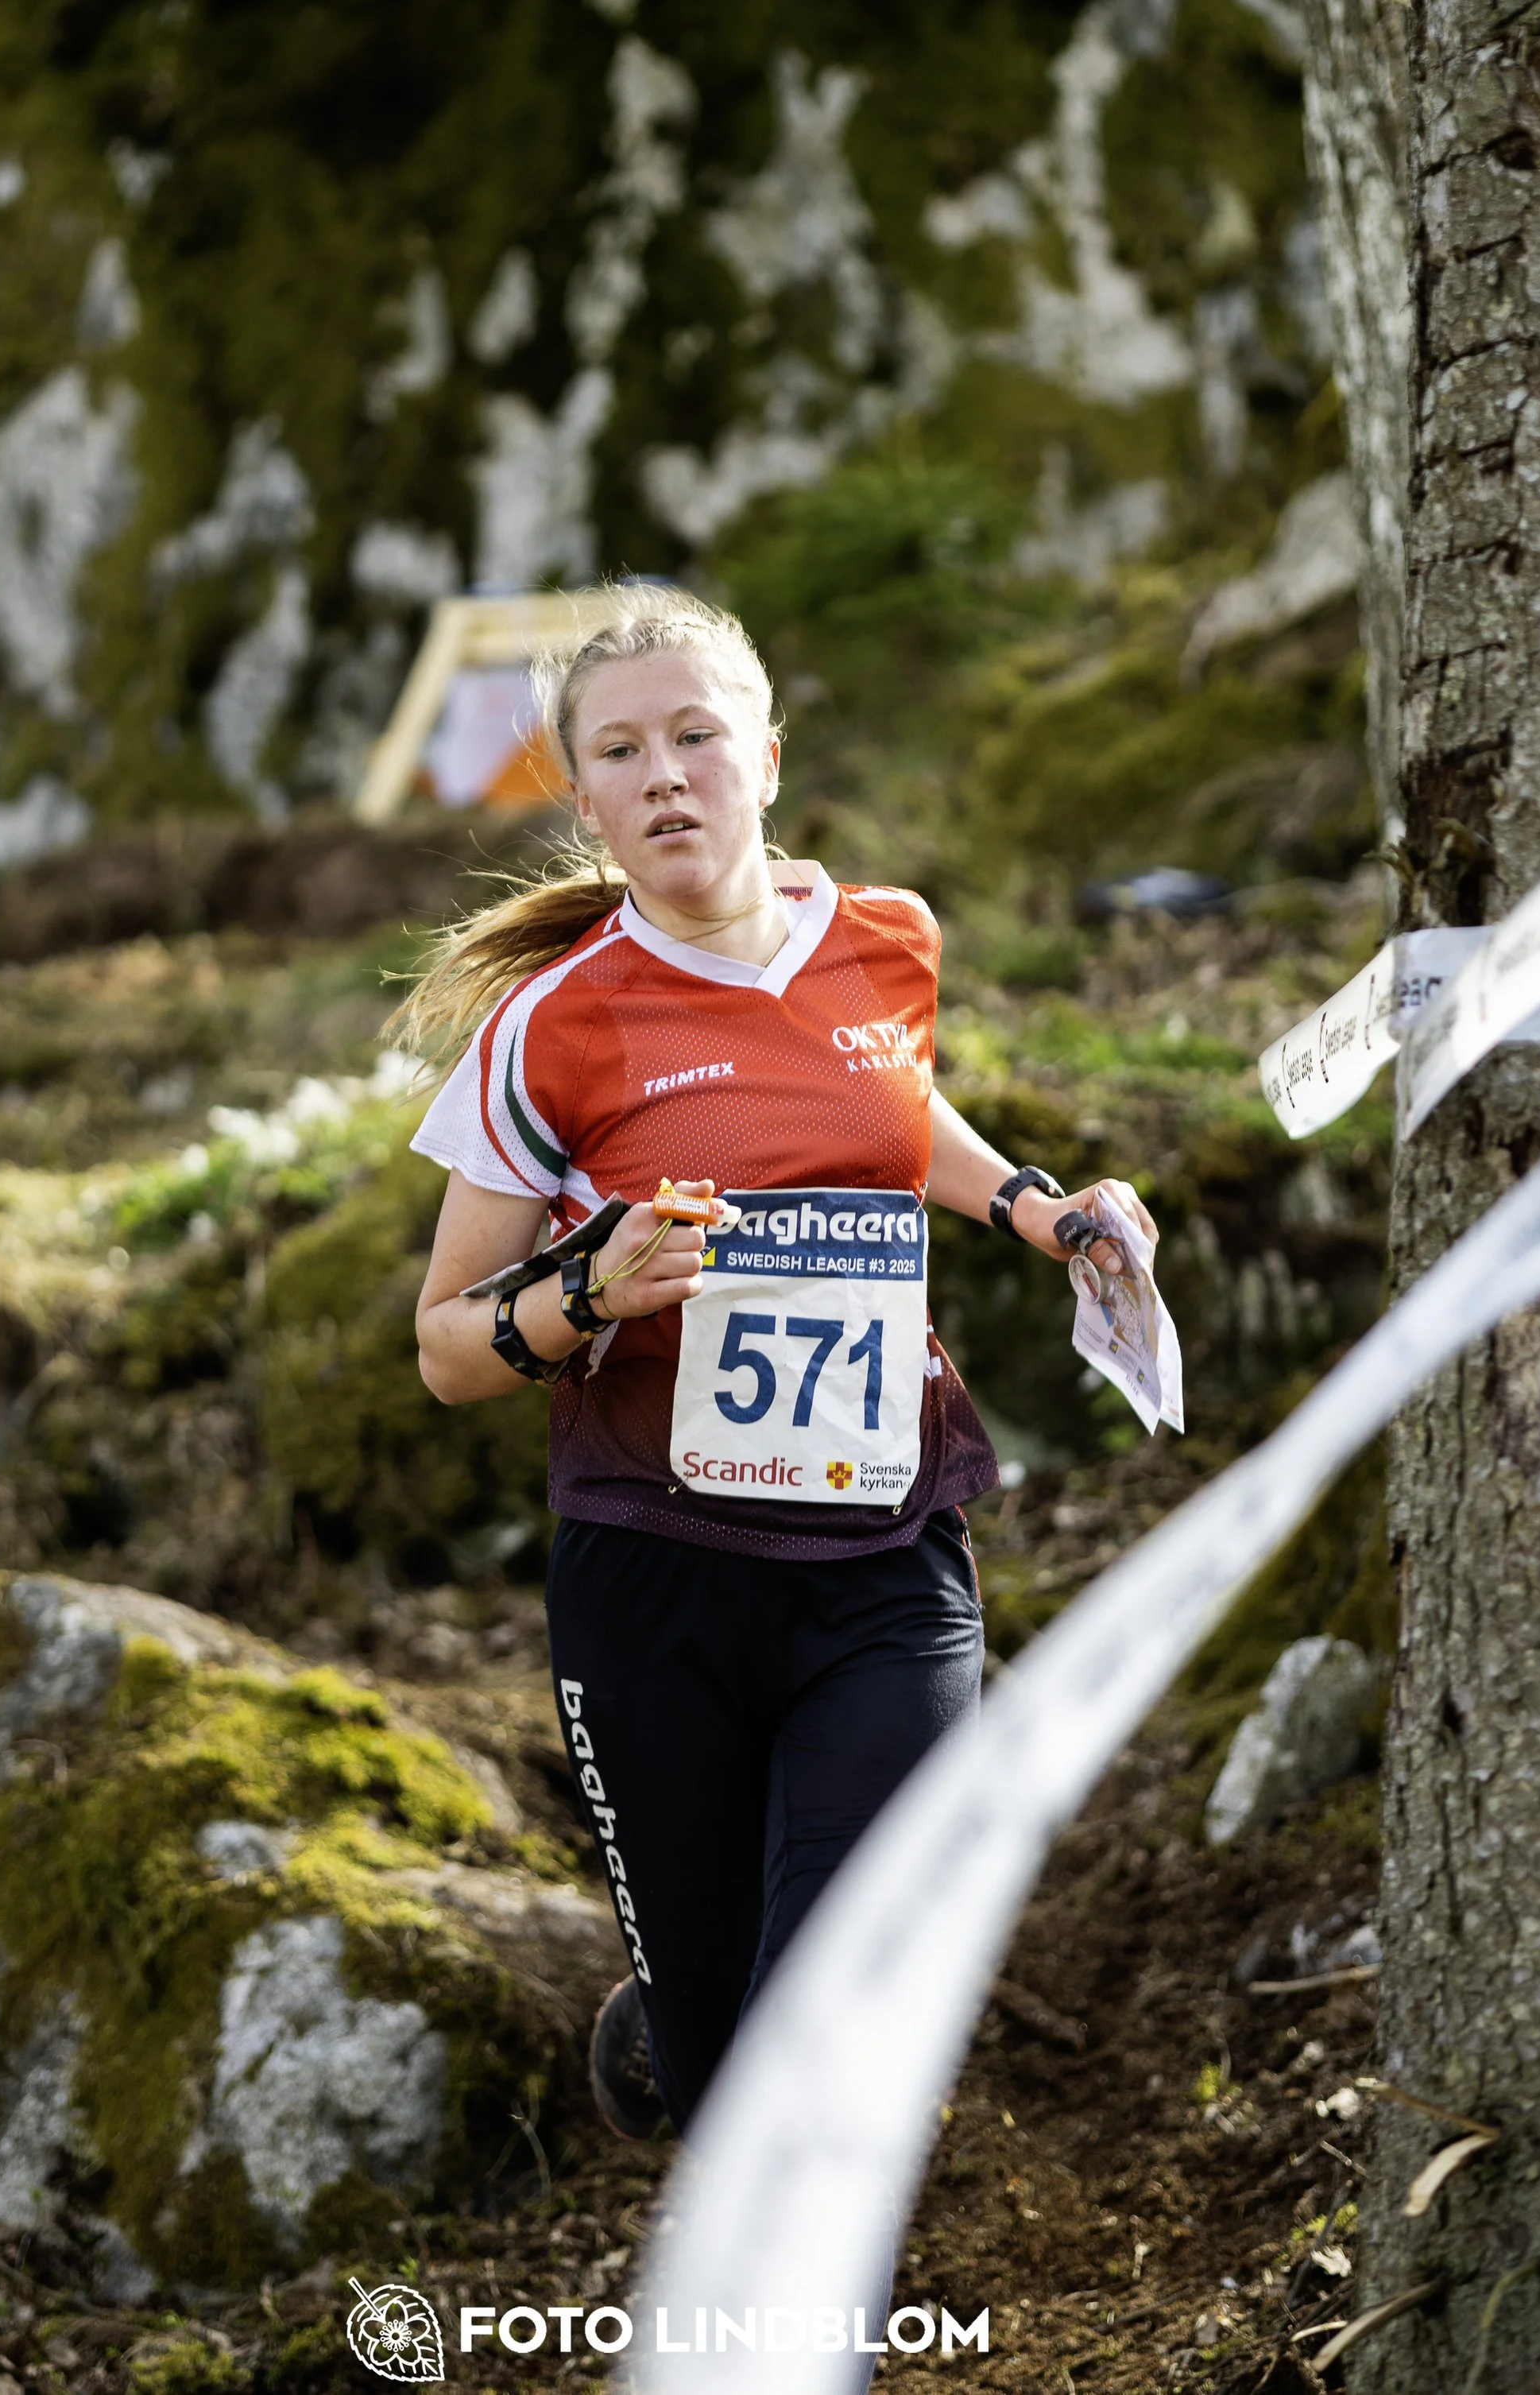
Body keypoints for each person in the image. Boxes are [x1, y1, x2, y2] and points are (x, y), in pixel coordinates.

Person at [402, 583, 1157, 2161]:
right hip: (653, 1576)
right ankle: (676, 2047)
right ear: (584, 794)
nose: (665, 774)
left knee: (839, 1992)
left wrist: (1035, 1203)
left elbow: (885, 1111)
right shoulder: (546, 1029)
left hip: (883, 1552)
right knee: (726, 2059)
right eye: (619, 750)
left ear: (762, 748)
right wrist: (581, 1293)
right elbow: (443, 1346)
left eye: (694, 733)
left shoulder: (887, 941)